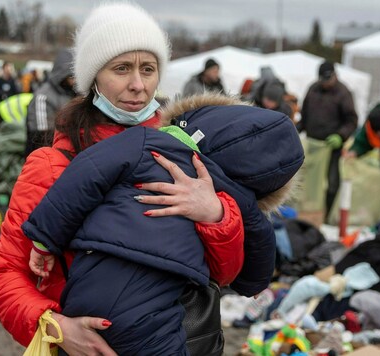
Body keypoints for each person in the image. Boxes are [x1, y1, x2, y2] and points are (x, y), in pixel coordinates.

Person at [0, 3, 278, 354]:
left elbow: (227, 274)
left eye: (148, 69)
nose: (138, 85)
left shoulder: (186, 154)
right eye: (121, 68)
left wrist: (214, 213)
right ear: (93, 77)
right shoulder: (52, 164)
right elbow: (5, 274)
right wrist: (54, 326)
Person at [24, 96, 303, 354]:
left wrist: (43, 239)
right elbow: (254, 279)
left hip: (88, 288)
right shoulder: (240, 203)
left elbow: (84, 176)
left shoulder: (144, 141)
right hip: (154, 312)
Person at [296, 61, 358, 218]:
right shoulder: (313, 89)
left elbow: (352, 120)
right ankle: (306, 212)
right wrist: (295, 130)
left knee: (330, 184)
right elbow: (305, 115)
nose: (325, 84)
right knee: (307, 182)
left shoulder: (343, 93)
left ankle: (325, 215)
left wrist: (341, 135)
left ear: (335, 76)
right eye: (322, 81)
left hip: (331, 148)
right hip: (312, 146)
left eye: (328, 80)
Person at [24, 48, 77, 157]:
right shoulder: (43, 97)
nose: (75, 81)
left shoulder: (75, 92)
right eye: (71, 76)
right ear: (62, 75)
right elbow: (41, 137)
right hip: (47, 156)